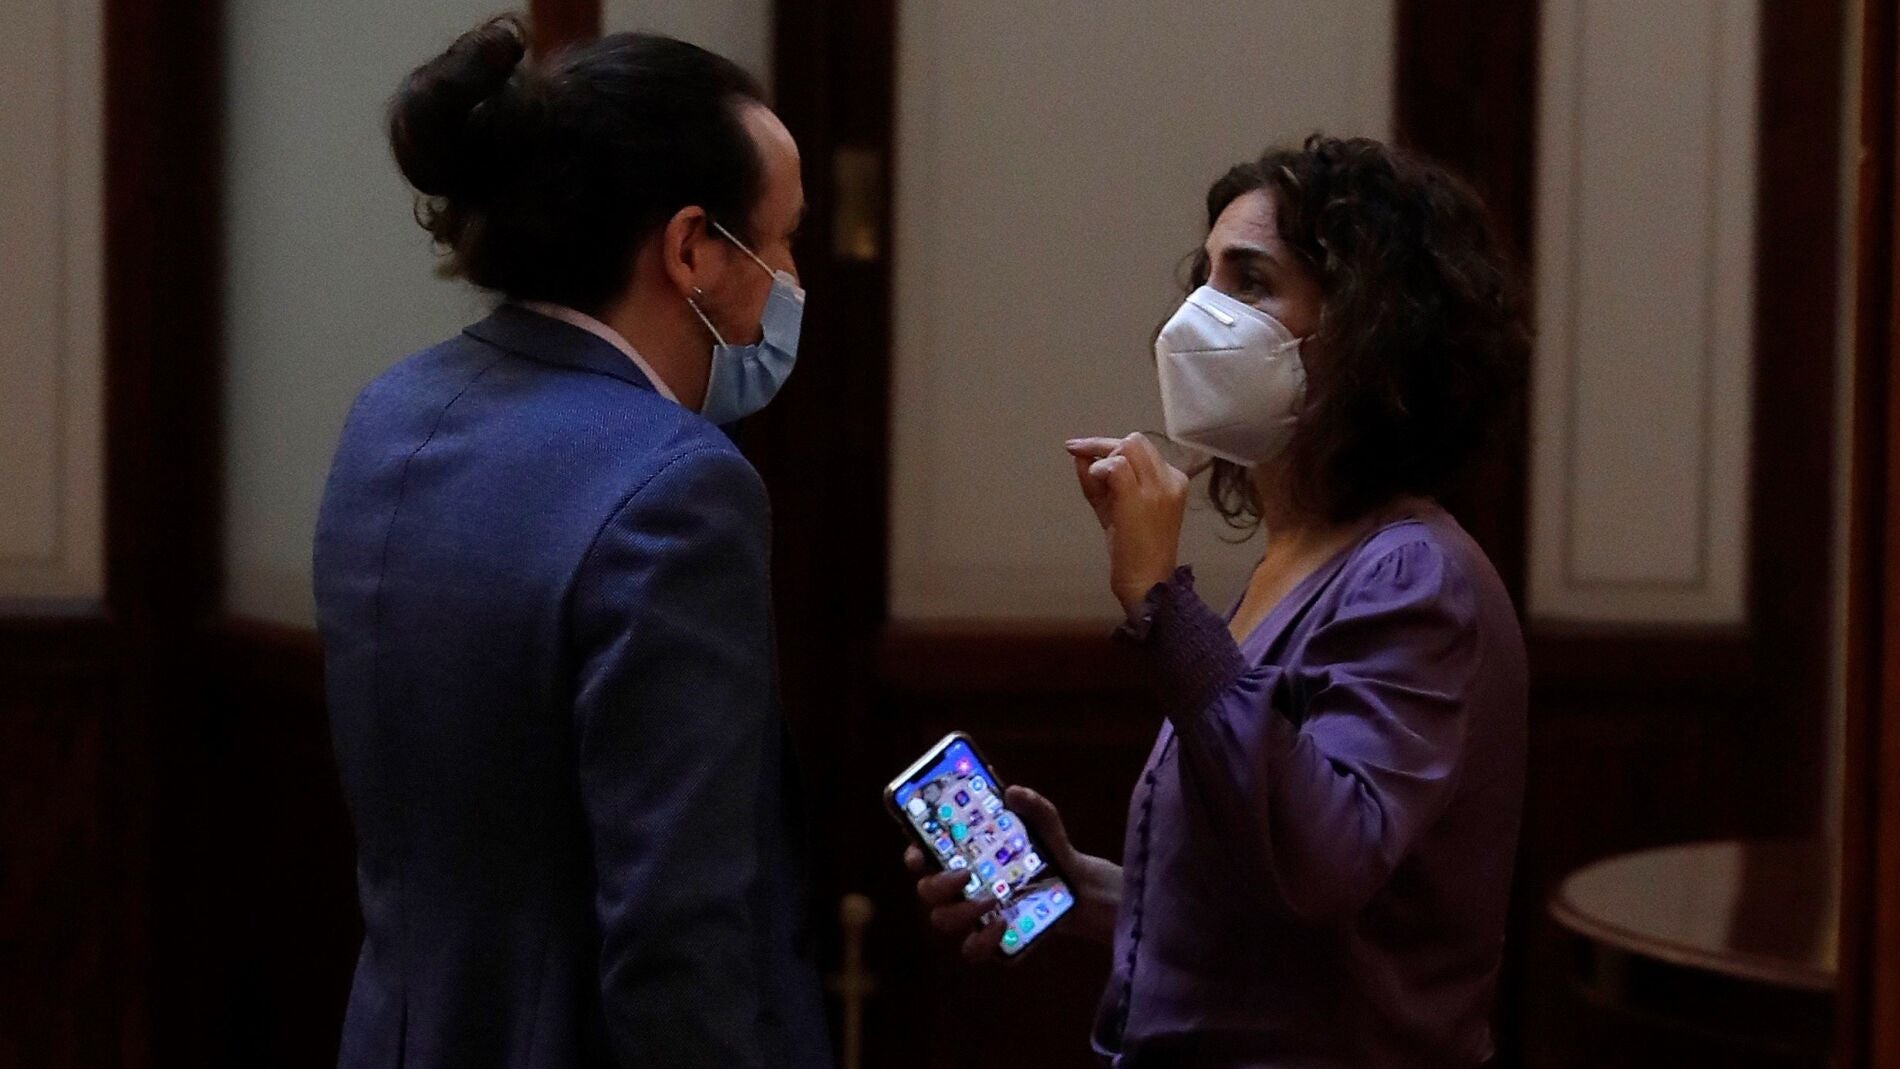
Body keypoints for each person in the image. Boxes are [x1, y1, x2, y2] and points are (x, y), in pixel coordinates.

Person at [908, 135, 1530, 1067]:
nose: (1198, 315)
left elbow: (1324, 856)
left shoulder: (1414, 575)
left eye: (1251, 282)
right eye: (1206, 276)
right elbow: (1266, 910)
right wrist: (1074, 886)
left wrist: (1161, 600)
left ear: (1369, 328)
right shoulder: (1297, 563)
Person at [314, 16, 830, 1068]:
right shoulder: (677, 489)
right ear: (691, 249)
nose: (788, 276)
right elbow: (676, 944)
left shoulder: (390, 414)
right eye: (779, 239)